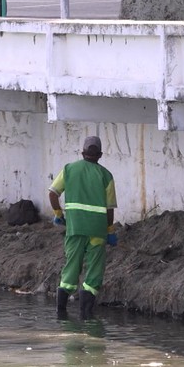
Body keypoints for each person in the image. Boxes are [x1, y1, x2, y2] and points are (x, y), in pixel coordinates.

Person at [49, 135, 118, 320]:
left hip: (75, 228)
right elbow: (109, 209)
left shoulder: (69, 169)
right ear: (100, 155)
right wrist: (110, 231)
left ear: (82, 152)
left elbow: (53, 193)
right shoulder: (106, 176)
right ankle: (86, 316)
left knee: (71, 268)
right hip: (97, 231)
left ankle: (61, 314)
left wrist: (58, 214)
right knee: (94, 272)